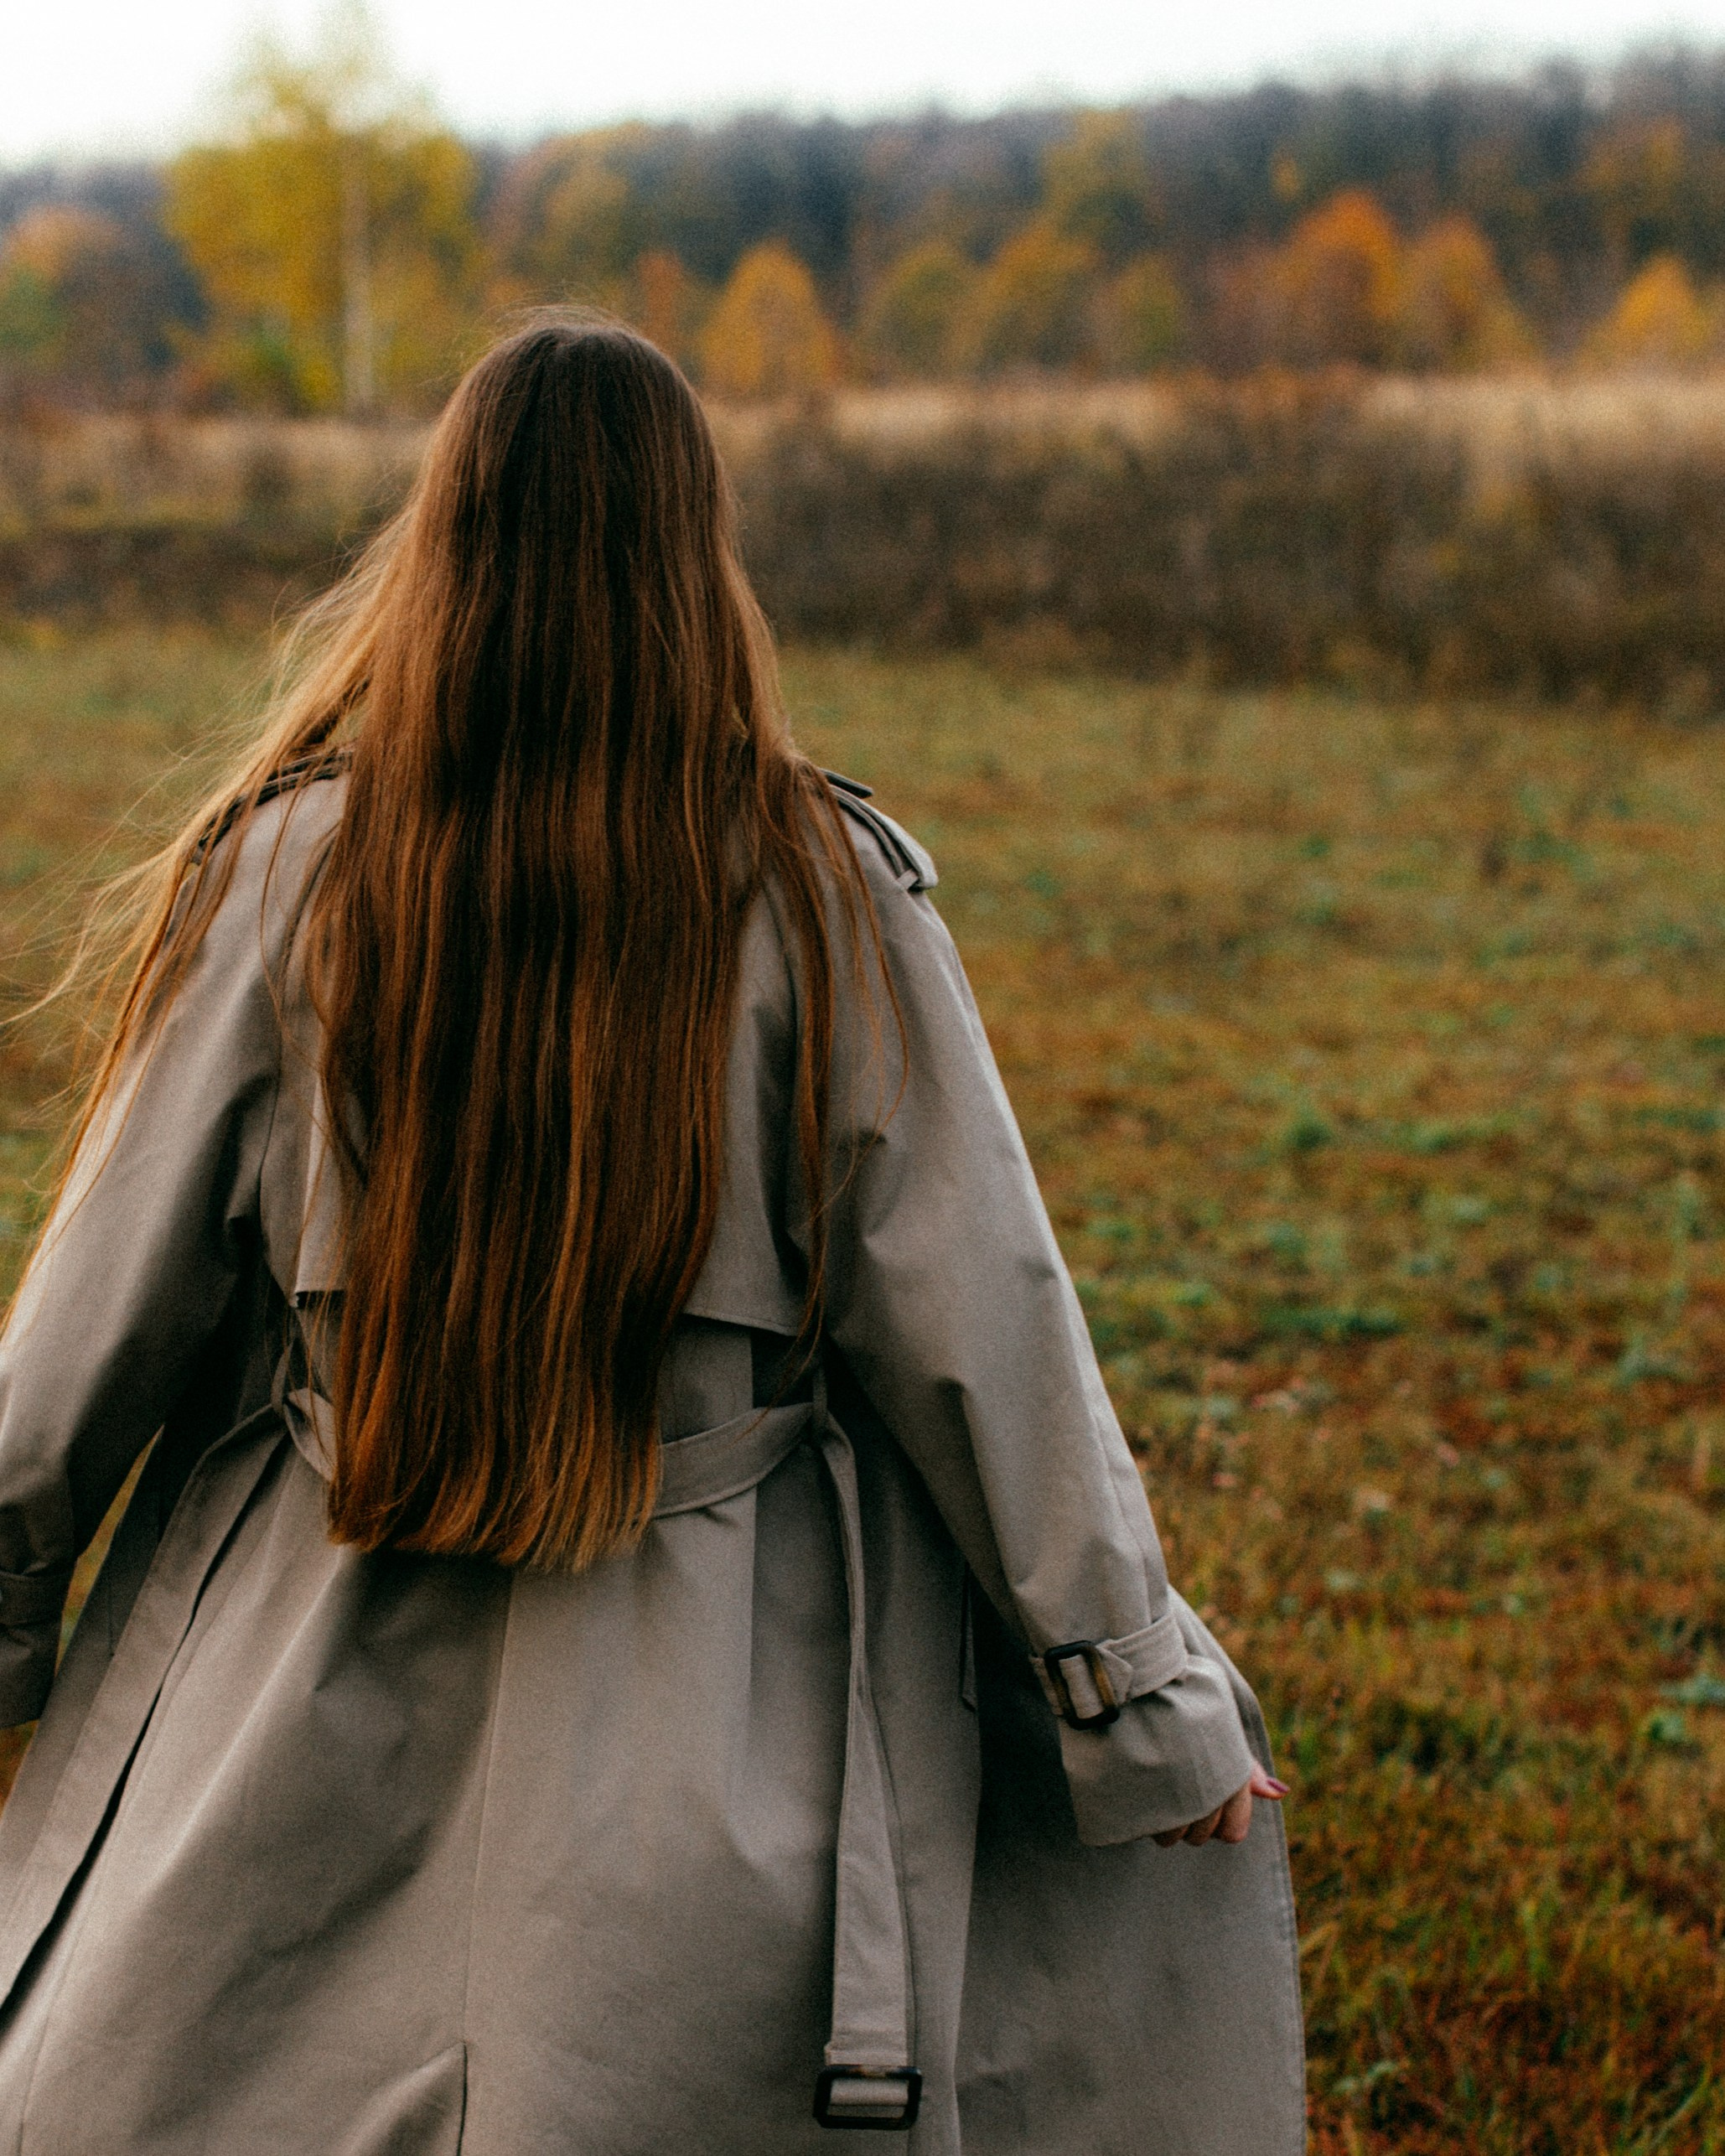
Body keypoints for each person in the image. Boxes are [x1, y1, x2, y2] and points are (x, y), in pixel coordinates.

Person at [0, 318, 1303, 2154]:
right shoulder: (826, 894)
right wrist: (1138, 1700)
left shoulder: (284, 877)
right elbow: (990, 1335)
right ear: (699, 558)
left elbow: (74, 1341)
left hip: (297, 1692)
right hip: (709, 1738)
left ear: (438, 540)